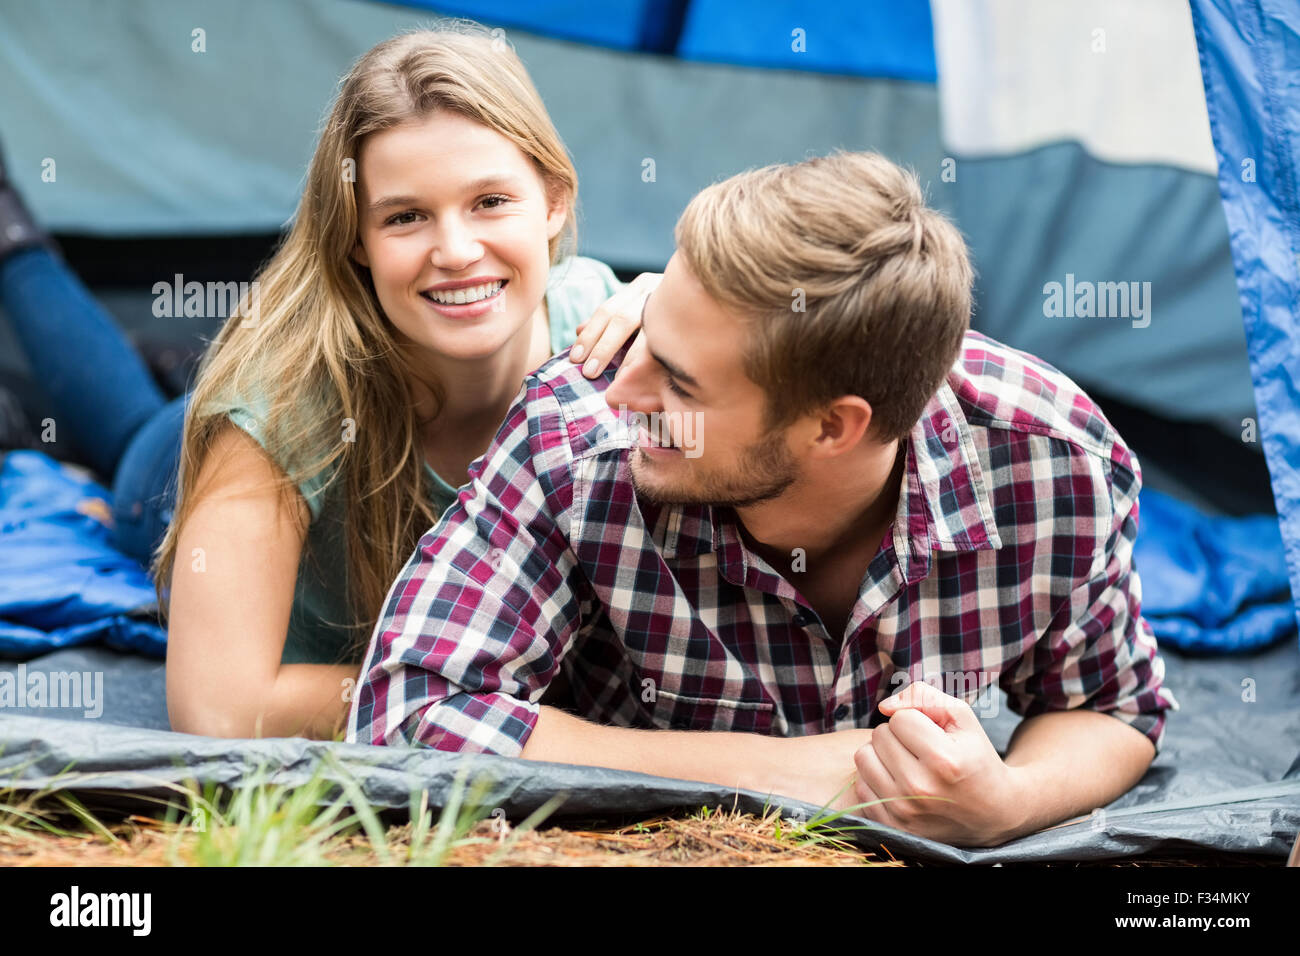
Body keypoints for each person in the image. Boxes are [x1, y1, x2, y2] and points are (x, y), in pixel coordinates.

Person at [347, 150, 1180, 849]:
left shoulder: (1050, 465)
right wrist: (810, 773)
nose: (619, 390)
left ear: (832, 427)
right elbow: (410, 718)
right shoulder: (575, 435)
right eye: (648, 331)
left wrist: (1010, 801)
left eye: (676, 379)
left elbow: (1112, 704)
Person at [0, 24, 653, 740]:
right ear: (354, 239)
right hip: (167, 476)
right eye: (406, 216)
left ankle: (165, 360)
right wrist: (467, 698)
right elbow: (220, 708)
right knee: (130, 433)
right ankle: (17, 248)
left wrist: (688, 311)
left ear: (554, 200)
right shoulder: (278, 406)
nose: (458, 250)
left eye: (491, 201)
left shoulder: (611, 333)